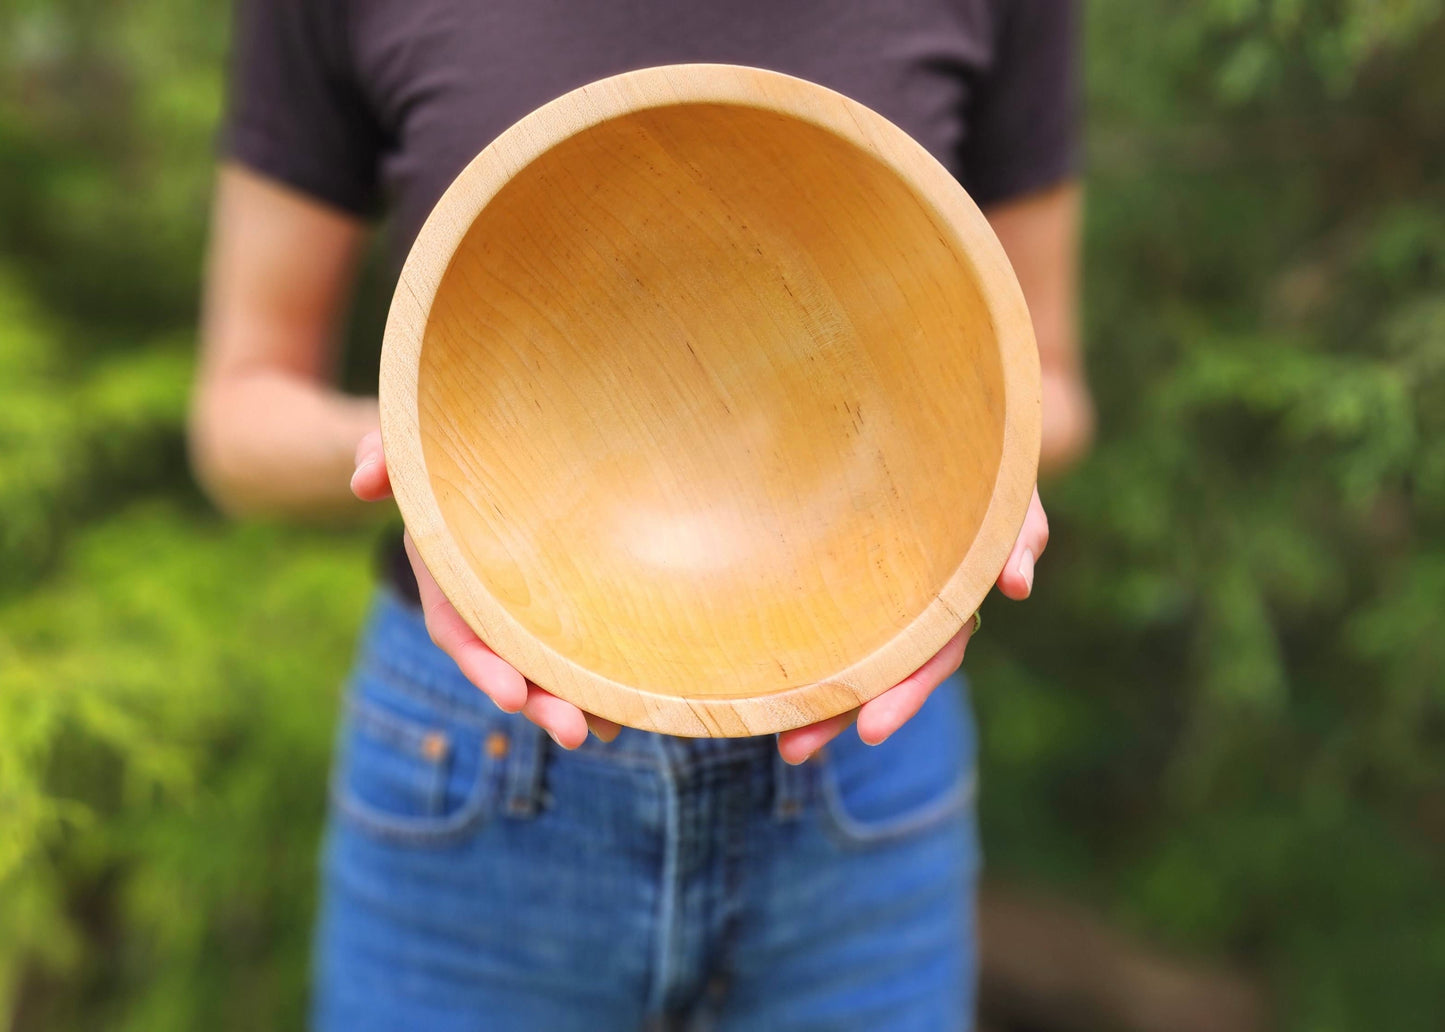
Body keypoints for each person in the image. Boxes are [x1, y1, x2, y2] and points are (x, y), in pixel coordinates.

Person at [189, 1, 1091, 1028]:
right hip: (469, 776)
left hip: (860, 763)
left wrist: (971, 490)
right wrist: (440, 462)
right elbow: (240, 415)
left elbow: (1045, 389)